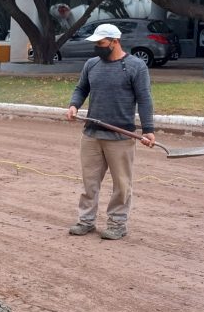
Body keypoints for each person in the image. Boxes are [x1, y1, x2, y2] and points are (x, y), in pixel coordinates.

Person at [65, 23, 156, 240]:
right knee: (90, 183)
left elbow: (144, 99)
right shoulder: (92, 64)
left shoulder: (135, 66)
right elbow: (81, 88)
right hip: (92, 135)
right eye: (96, 44)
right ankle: (86, 221)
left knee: (122, 185)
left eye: (101, 43)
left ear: (115, 42)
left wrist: (149, 129)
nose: (97, 47)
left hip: (121, 137)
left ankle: (117, 224)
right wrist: (74, 105)